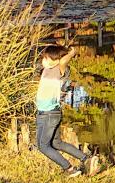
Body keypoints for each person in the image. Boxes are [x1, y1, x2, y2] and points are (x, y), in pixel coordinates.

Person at [33, 44, 87, 175]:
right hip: (46, 113)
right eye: (44, 58)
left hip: (49, 114)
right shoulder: (46, 69)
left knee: (43, 146)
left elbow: (63, 61)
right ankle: (86, 158)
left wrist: (71, 53)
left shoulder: (60, 70)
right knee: (56, 143)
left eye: (47, 58)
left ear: (57, 60)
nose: (44, 61)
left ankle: (68, 168)